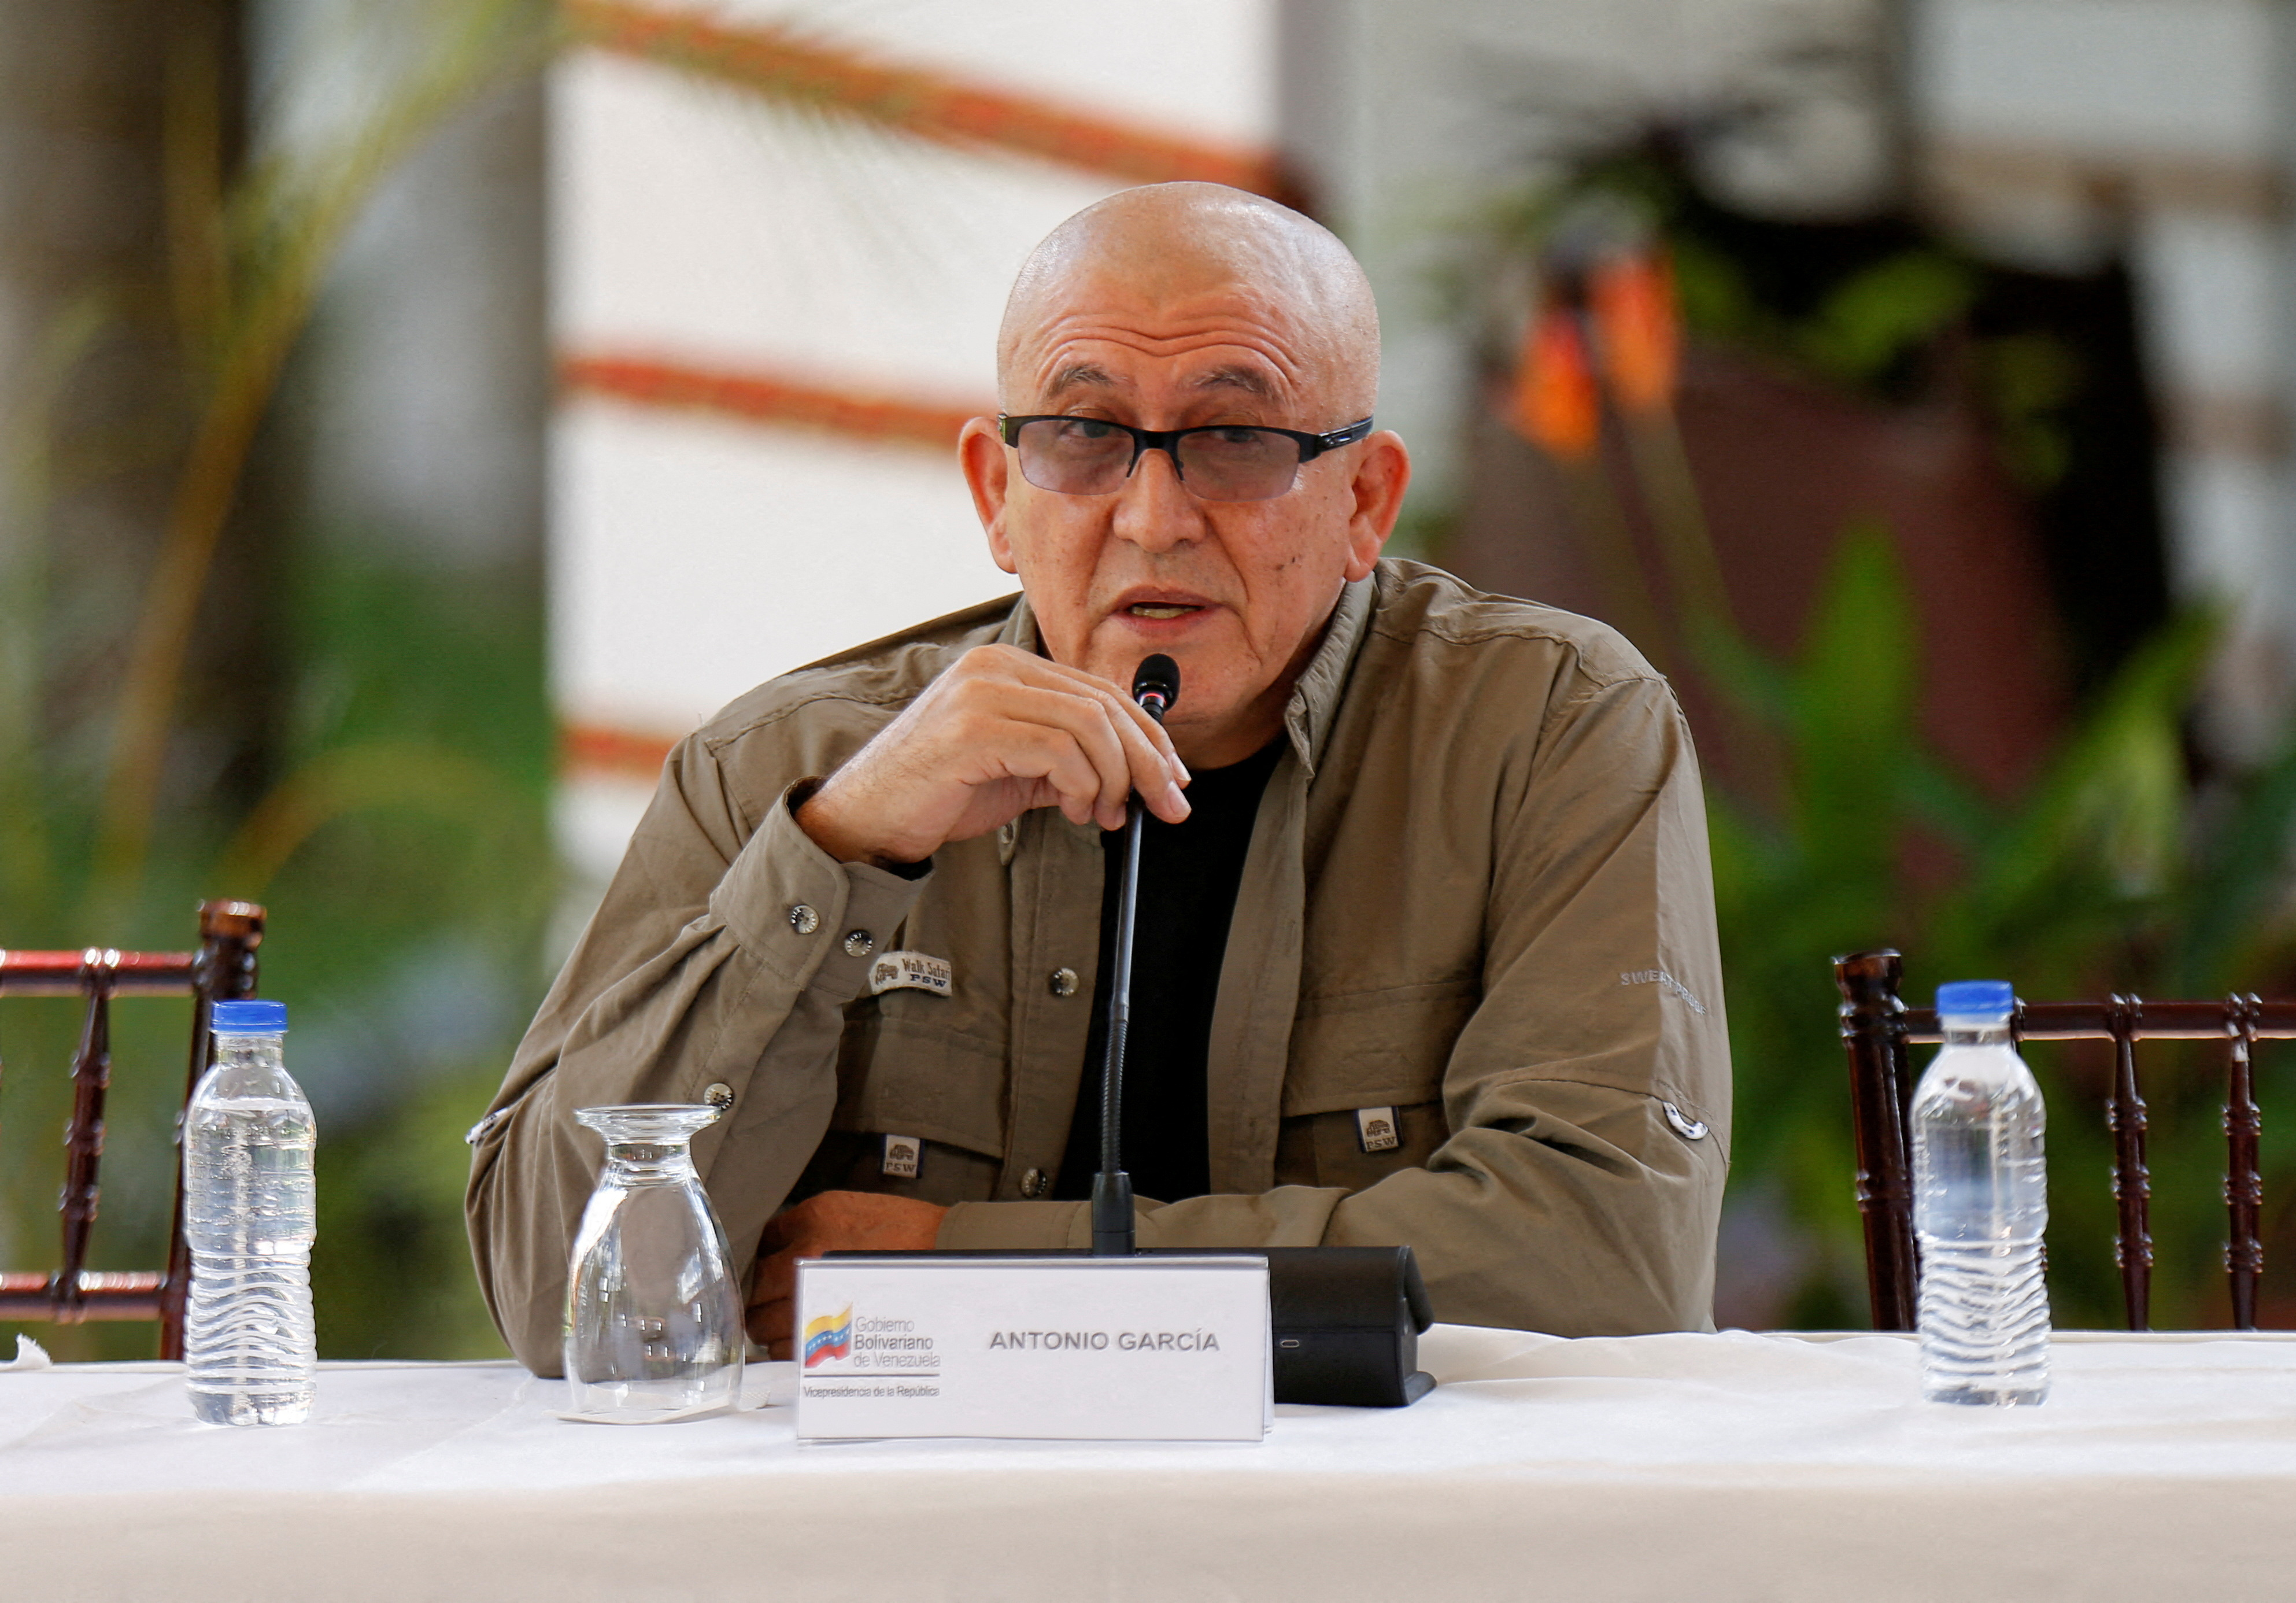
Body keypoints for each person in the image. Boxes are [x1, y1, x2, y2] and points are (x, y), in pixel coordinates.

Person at [466, 182, 1729, 1376]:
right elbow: (558, 1294)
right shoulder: (789, 770)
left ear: (1365, 500)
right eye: (1083, 436)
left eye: (1236, 439)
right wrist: (842, 851)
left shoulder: (1546, 726)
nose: (1154, 517)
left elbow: (1608, 1262)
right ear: (998, 495)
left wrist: (965, 1276)